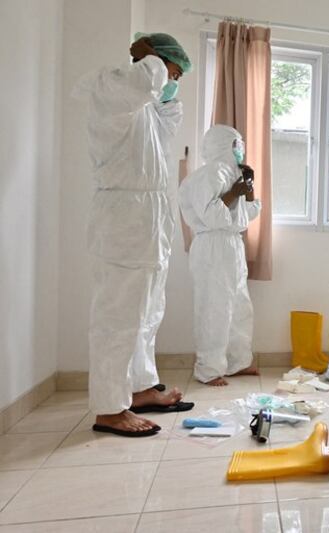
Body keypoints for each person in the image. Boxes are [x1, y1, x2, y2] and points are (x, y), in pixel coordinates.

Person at [74, 33, 194, 437]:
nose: (171, 80)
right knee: (118, 318)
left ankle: (140, 388)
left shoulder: (145, 109)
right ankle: (109, 408)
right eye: (171, 70)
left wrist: (166, 84)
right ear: (151, 61)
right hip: (124, 222)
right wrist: (153, 60)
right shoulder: (112, 86)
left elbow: (168, 117)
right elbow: (145, 83)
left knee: (146, 314)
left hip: (147, 222)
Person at [178, 126, 261, 386]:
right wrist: (234, 192)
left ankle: (237, 363)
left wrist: (248, 188)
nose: (241, 149)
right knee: (214, 308)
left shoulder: (230, 172)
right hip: (212, 245)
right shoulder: (208, 174)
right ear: (223, 145)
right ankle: (209, 370)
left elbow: (249, 214)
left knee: (239, 307)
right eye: (237, 144)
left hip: (232, 244)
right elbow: (212, 215)